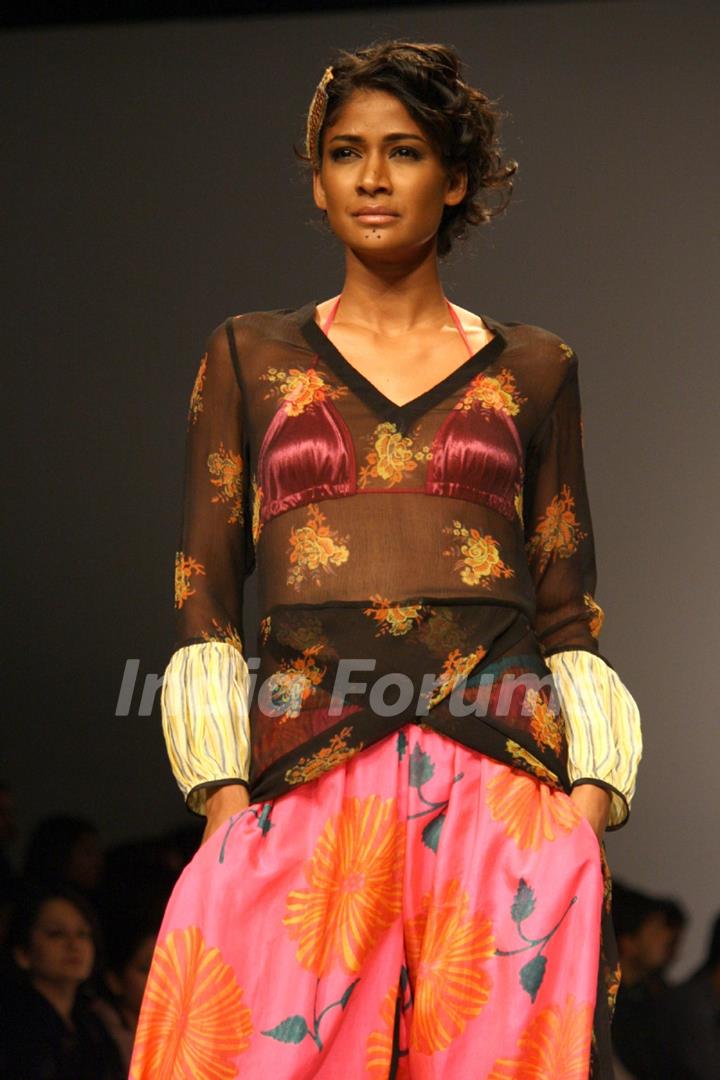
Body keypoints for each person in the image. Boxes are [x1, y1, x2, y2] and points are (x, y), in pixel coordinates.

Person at [130, 39, 642, 1078]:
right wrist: (224, 806)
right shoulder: (249, 354)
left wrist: (586, 805)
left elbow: (564, 605)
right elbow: (205, 596)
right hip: (303, 771)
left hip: (502, 777)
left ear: (452, 179)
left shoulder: (537, 365)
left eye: (403, 151)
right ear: (316, 180)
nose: (371, 177)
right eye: (345, 152)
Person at [0, 882, 125, 1079]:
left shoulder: (92, 1024)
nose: (74, 944)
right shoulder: (13, 1027)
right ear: (23, 953)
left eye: (82, 934)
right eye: (56, 934)